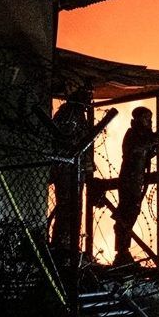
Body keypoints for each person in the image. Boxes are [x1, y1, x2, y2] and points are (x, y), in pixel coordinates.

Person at [112, 106, 159, 266]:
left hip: (138, 180)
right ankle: (122, 252)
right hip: (129, 179)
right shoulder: (132, 135)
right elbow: (141, 145)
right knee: (126, 215)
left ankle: (123, 252)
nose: (149, 122)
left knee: (132, 214)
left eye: (150, 119)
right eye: (146, 118)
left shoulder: (144, 136)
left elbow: (148, 149)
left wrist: (157, 145)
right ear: (137, 120)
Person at [47, 93, 91, 257]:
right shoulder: (72, 114)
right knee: (68, 206)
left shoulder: (71, 113)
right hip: (68, 167)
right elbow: (68, 139)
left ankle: (67, 244)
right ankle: (63, 245)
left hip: (72, 167)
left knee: (70, 206)